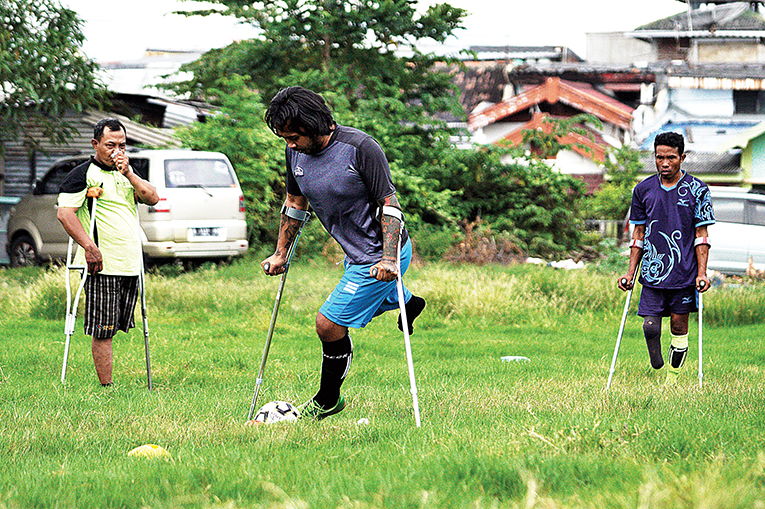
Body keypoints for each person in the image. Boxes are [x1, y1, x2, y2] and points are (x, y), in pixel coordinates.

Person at [262, 86, 426, 419]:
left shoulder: (360, 148)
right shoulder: (294, 152)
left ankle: (327, 400)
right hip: (355, 253)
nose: (289, 144)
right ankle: (408, 303)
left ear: (312, 124)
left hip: (382, 254)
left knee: (329, 324)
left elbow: (390, 207)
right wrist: (280, 253)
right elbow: (295, 204)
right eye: (284, 138)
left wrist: (389, 260)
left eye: (294, 136)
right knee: (343, 313)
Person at [57, 118, 159, 386]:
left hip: (130, 261)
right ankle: (107, 387)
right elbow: (65, 215)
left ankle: (111, 383)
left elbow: (152, 197)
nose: (117, 151)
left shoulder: (126, 173)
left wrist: (128, 173)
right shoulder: (82, 174)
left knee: (119, 326)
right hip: (101, 263)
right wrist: (90, 248)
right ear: (96, 144)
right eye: (110, 145)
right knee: (103, 329)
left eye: (122, 145)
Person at [618, 131, 714, 385]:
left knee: (679, 327)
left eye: (671, 157)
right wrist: (630, 272)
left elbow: (701, 235)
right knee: (650, 326)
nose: (664, 163)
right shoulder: (642, 189)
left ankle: (672, 381)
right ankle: (656, 360)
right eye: (659, 157)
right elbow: (638, 233)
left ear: (682, 157)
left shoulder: (698, 189)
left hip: (684, 273)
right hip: (652, 270)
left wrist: (702, 273)